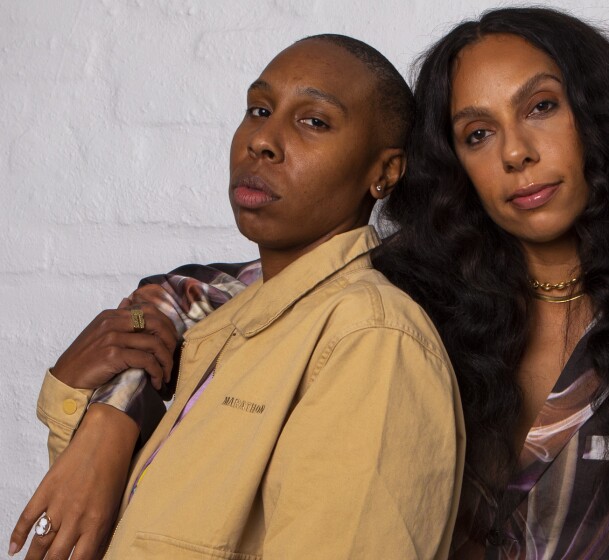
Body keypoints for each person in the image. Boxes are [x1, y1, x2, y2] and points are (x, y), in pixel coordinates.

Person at [13, 7, 609, 559]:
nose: (514, 152)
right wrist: (110, 426)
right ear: (452, 165)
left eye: (540, 108)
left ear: (603, 118)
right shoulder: (408, 299)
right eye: (478, 132)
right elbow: (193, 297)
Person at [9, 34, 464, 559]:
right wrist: (85, 406)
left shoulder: (372, 341)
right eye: (259, 109)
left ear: (384, 172)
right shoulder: (227, 325)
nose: (263, 140)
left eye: (314, 121)